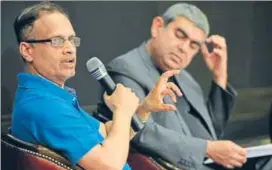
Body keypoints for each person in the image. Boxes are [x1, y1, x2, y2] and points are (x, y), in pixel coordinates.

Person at [98, 3, 272, 170]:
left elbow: (210, 134)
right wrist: (206, 148)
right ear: (157, 27)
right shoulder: (125, 68)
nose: (183, 48)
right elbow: (139, 131)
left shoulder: (185, 78)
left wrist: (219, 77)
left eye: (193, 45)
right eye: (180, 35)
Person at [10, 2, 182, 170]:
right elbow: (109, 165)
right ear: (27, 50)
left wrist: (144, 108)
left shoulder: (52, 97)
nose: (70, 48)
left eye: (71, 40)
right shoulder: (44, 106)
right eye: (56, 41)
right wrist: (121, 109)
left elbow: (108, 134)